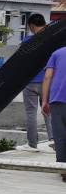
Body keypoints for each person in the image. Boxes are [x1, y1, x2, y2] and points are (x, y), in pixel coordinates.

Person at [21, 13, 48, 150]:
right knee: (48, 111)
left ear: (31, 26)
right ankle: (53, 141)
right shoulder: (51, 39)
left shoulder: (26, 41)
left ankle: (32, 144)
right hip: (47, 82)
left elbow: (20, 62)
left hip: (30, 82)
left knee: (31, 113)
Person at [41, 40, 66, 179]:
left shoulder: (57, 53)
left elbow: (47, 76)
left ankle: (63, 170)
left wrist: (44, 101)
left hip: (57, 100)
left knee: (60, 137)